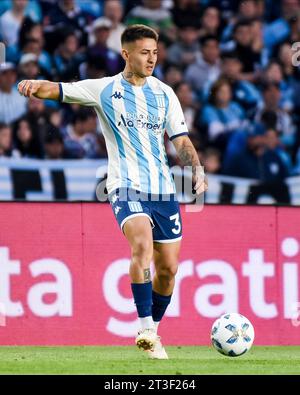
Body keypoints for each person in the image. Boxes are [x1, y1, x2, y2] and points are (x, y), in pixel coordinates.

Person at [17, 24, 208, 359]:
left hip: (163, 191)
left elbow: (181, 140)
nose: (152, 59)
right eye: (145, 52)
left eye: (155, 52)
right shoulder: (104, 89)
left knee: (168, 270)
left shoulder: (165, 93)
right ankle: (145, 325)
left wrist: (196, 169)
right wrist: (34, 86)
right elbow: (60, 90)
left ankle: (155, 334)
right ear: (126, 54)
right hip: (124, 186)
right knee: (141, 245)